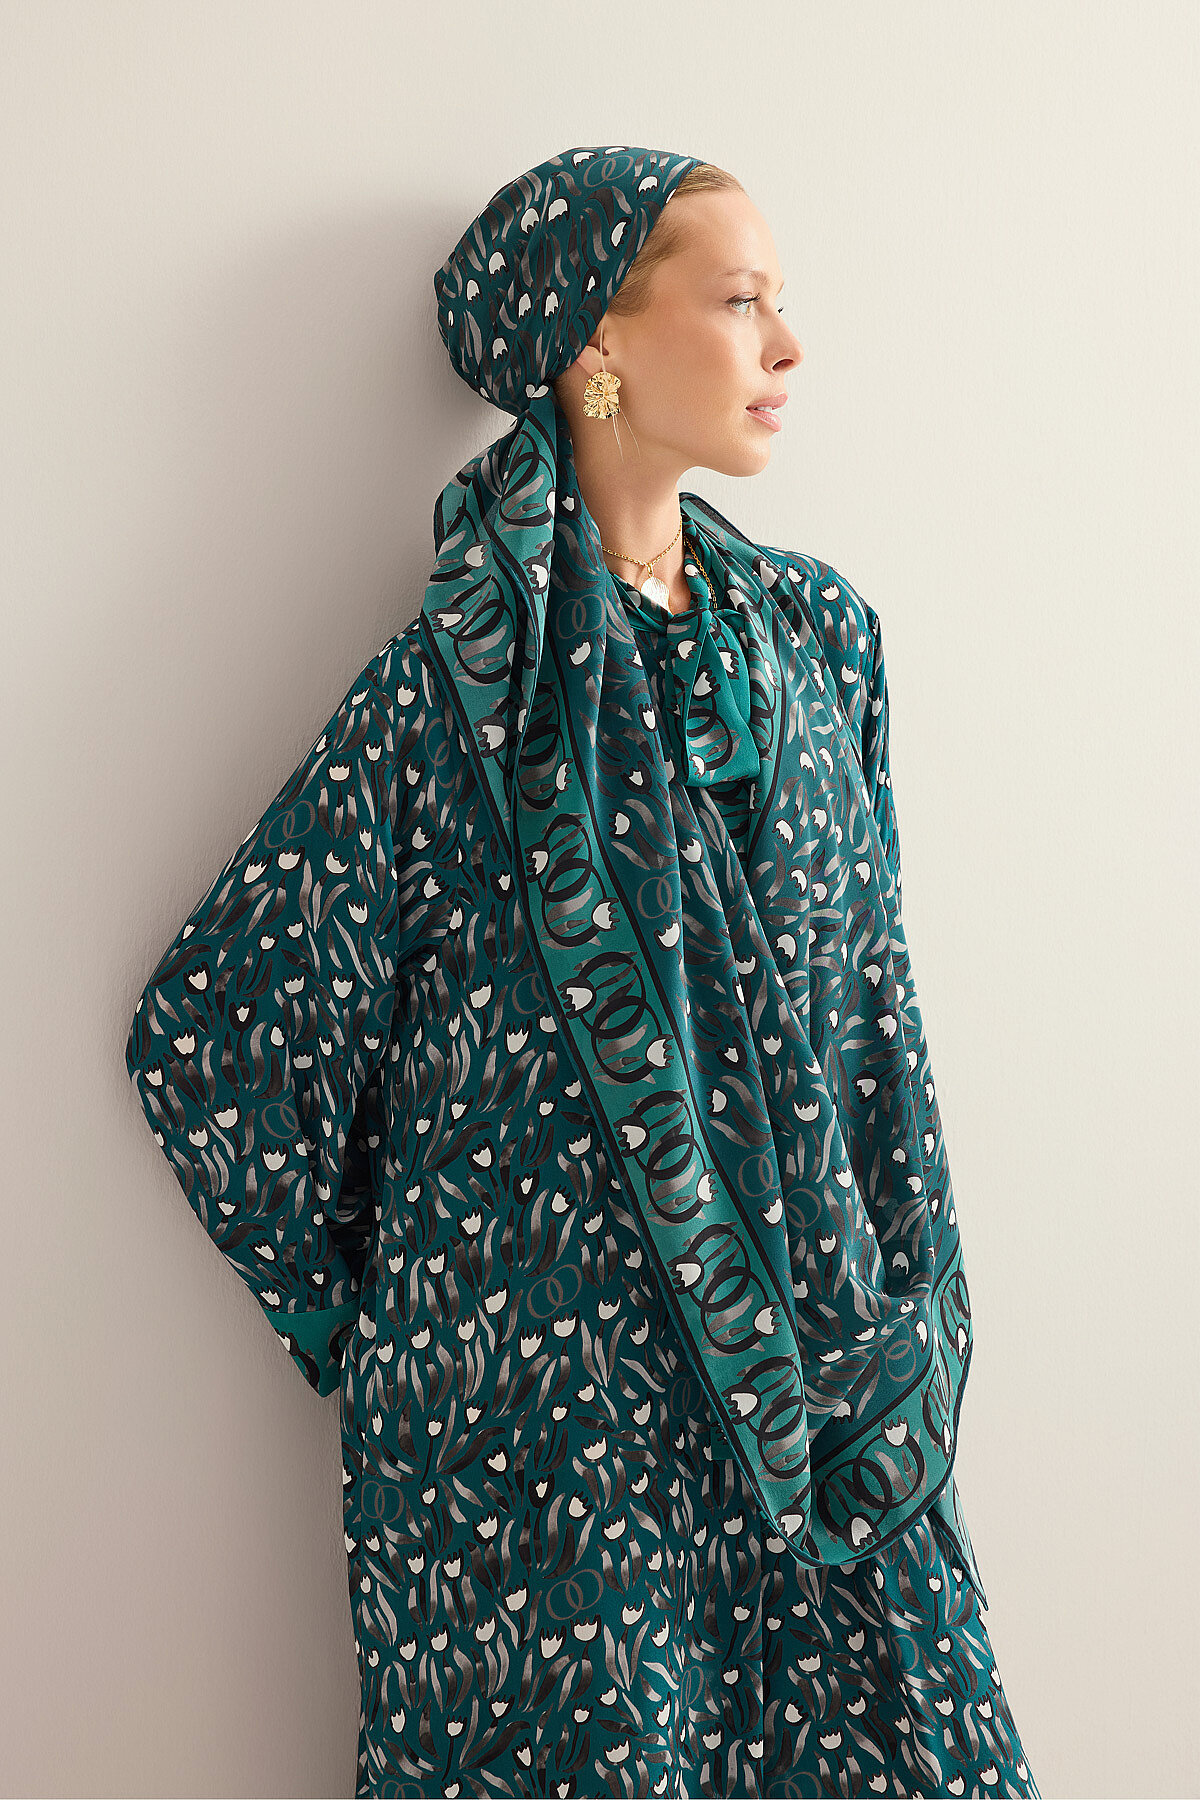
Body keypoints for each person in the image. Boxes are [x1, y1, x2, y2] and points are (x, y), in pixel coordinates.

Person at [124, 144, 1040, 1799]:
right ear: (594, 341)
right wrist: (406, 1315)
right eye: (742, 300)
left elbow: (873, 1024)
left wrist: (905, 1295)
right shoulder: (456, 696)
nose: (789, 345)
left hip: (825, 1400)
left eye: (782, 303)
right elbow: (212, 1037)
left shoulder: (824, 645)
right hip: (556, 1449)